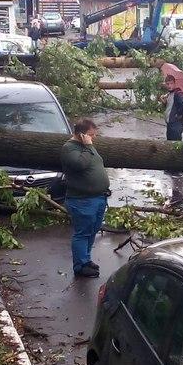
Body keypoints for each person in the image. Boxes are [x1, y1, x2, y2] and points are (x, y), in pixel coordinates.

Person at [60, 118, 110, 278]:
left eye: (94, 135)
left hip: (98, 197)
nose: (93, 138)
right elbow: (79, 164)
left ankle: (86, 259)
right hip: (82, 200)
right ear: (81, 135)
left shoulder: (87, 147)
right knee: (82, 232)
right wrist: (88, 146)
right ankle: (80, 266)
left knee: (92, 230)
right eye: (90, 135)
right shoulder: (69, 148)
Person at [163, 71, 183, 208]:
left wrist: (179, 116)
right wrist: (164, 102)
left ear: (174, 83)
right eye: (167, 84)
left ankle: (177, 169)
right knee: (170, 145)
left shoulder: (179, 94)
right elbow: (169, 108)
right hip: (170, 124)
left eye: (170, 83)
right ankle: (171, 167)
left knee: (175, 145)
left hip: (175, 125)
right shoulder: (170, 95)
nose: (168, 85)